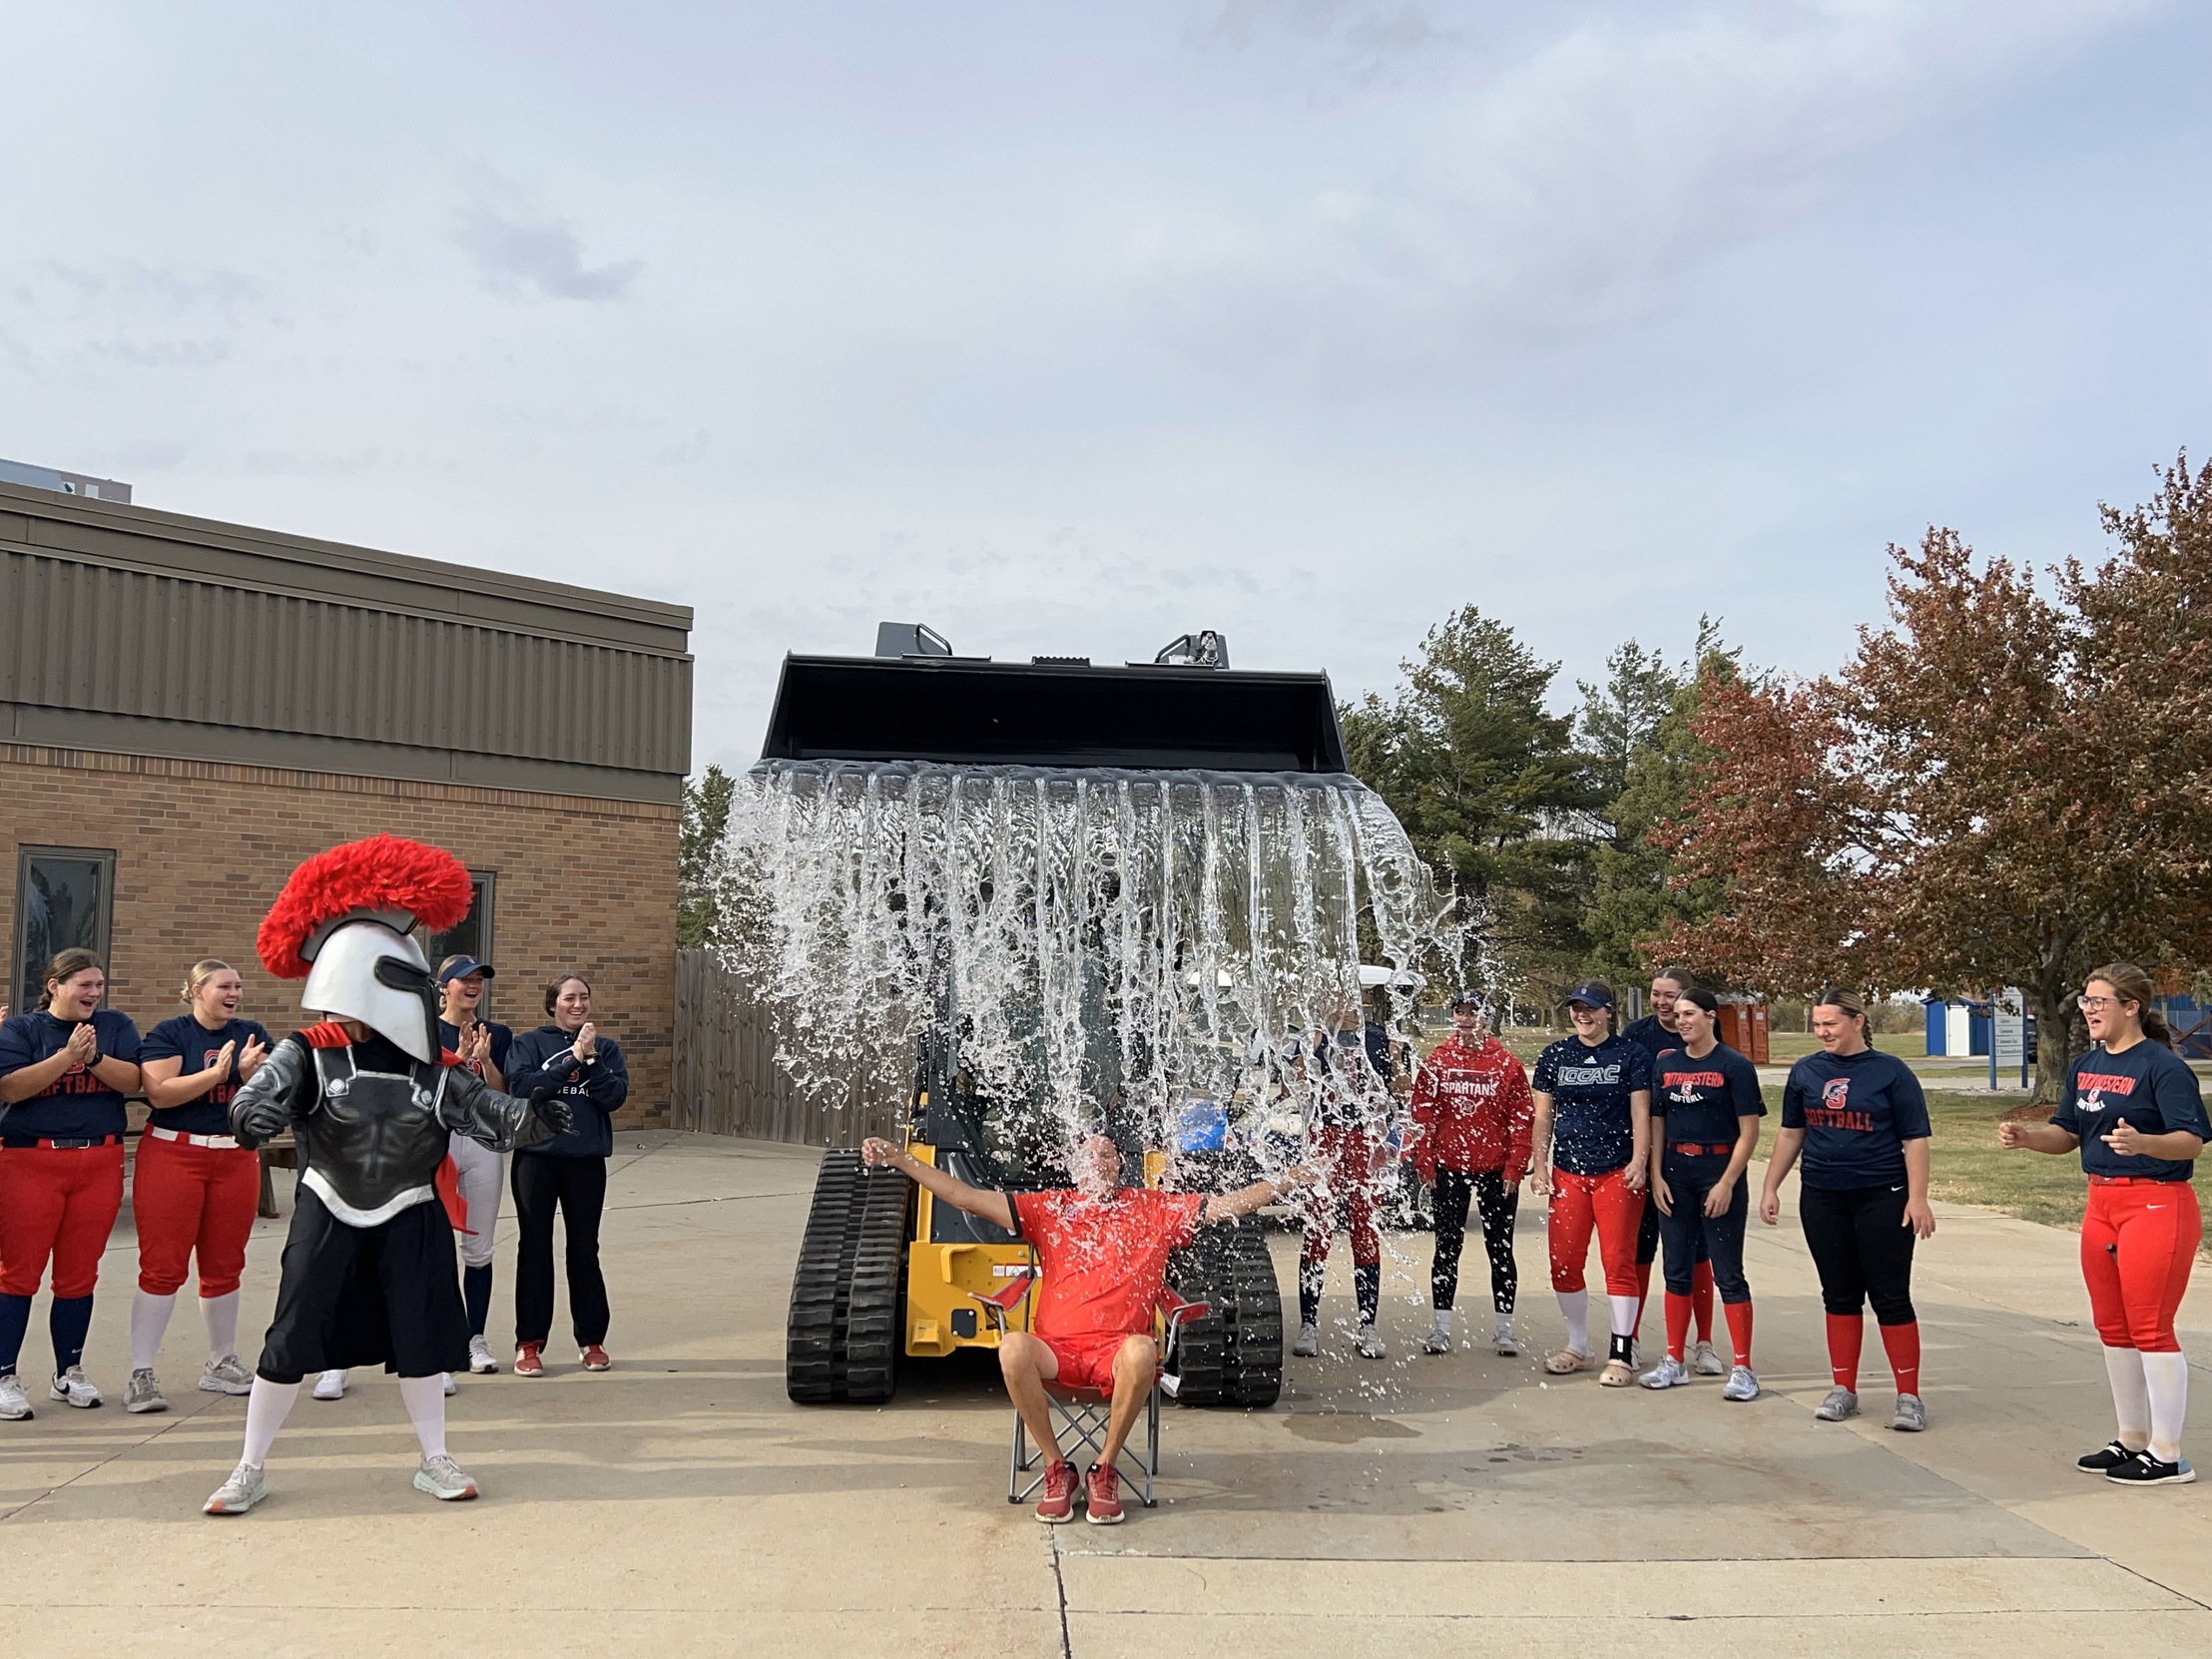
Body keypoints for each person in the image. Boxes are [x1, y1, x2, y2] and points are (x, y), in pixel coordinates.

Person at [202, 834, 571, 1515]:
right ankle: (248, 1466)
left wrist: (550, 1109)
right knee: (288, 1340)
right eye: (406, 983)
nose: (420, 994)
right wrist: (250, 1110)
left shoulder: (433, 1066)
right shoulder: (307, 1052)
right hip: (326, 1205)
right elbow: (253, 1109)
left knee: (423, 1338)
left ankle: (435, 1457)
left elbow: (499, 1119)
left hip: (411, 1208)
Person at [861, 1129, 1309, 1523]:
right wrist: (902, 1160)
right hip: (1057, 1352)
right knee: (1013, 1347)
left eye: (1107, 1155)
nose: (1098, 1162)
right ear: (1073, 1167)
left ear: (1120, 1166)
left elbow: (1228, 1206)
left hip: (1116, 1358)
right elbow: (963, 1197)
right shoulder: (1050, 1208)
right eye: (1089, 1156)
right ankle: (1058, 1469)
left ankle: (1105, 1468)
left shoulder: (1155, 1210)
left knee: (1141, 1349)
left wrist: (1289, 1181)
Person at [1999, 963, 2209, 1485]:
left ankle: (2168, 1454)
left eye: (2099, 1001)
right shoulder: (2085, 1065)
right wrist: (2029, 1138)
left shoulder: (2163, 1066)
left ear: (2130, 1007)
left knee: (2151, 1329)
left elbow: (2192, 1140)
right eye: (2086, 1002)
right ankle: (2132, 1439)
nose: (2089, 1010)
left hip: (2157, 1204)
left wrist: (2145, 1144)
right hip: (2102, 1206)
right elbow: (2067, 1133)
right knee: (2113, 1329)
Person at [1760, 986, 1935, 1432]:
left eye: (1831, 1024)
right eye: (1817, 1025)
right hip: (1823, 1196)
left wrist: (1917, 1198)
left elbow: (1915, 1139)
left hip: (1882, 1195)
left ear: (1857, 1021)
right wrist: (1771, 1186)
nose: (1822, 1032)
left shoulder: (1891, 1072)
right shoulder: (1805, 1071)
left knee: (1890, 1296)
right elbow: (1790, 1133)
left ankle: (1909, 1397)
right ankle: (1844, 1390)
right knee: (1838, 1295)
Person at [0, 950, 143, 1416]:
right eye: (84, 984)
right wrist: (67, 1057)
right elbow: (12, 1087)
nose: (94, 993)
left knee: (79, 1274)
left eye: (99, 984)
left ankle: (69, 1372)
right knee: (19, 1273)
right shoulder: (23, 1029)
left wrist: (94, 1055)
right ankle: (5, 1374)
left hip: (98, 1158)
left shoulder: (114, 1024)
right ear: (55, 985)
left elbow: (132, 1079)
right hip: (30, 1160)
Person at [129, 960, 274, 1413]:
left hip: (234, 1153)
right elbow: (161, 1092)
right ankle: (141, 1371)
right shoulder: (171, 1032)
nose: (235, 993)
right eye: (224, 986)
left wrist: (251, 1075)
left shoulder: (252, 1032)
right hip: (175, 1152)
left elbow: (267, 1092)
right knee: (163, 1264)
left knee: (225, 1262)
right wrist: (220, 1074)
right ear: (196, 990)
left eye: (238, 986)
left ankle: (221, 1361)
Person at [1639, 987, 1764, 1400]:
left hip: (1718, 1169)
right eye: (1676, 1014)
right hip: (1676, 1173)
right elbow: (1657, 1122)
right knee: (1675, 1268)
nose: (1681, 1020)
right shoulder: (1666, 1065)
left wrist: (1727, 1182)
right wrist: (1656, 1176)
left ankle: (1743, 1368)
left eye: (1690, 1013)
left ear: (1711, 1016)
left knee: (1727, 1271)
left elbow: (1749, 1131)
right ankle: (1674, 1359)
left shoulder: (1734, 1065)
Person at [505, 974, 630, 1378]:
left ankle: (592, 1340)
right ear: (553, 1003)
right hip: (536, 1159)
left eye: (584, 998)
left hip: (585, 1160)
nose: (578, 1004)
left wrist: (590, 1058)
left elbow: (613, 1097)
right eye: (570, 998)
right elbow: (525, 1087)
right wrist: (572, 1058)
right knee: (534, 1248)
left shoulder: (605, 1048)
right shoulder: (529, 1044)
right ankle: (529, 1343)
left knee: (583, 1249)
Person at [1529, 979, 1651, 1385]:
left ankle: (1621, 1352)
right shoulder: (1555, 1055)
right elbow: (1543, 1115)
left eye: (1592, 1008)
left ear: (1608, 1012)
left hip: (1616, 1171)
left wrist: (1640, 1159)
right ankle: (1577, 1345)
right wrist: (1540, 1165)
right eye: (1576, 1008)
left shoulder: (1631, 1054)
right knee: (1564, 1262)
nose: (1583, 1015)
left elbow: (1641, 1111)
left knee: (1618, 1260)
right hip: (1568, 1171)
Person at [1404, 989, 1530, 1357]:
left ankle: (1504, 1329)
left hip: (1495, 1171)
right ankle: (1440, 1328)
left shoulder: (1506, 1063)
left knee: (1500, 1249)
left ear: (1486, 1018)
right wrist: (1423, 1161)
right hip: (1449, 1169)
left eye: (1471, 1013)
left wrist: (1515, 1166)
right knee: (1446, 1248)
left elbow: (1521, 1119)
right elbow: (1422, 1115)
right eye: (1458, 1012)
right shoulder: (1438, 1061)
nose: (1464, 1019)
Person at [1619, 965, 1717, 1374]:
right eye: (1656, 994)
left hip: (1690, 1162)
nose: (1663, 1003)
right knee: (1640, 1250)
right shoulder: (1635, 1035)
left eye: (1670, 996)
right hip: (1644, 1157)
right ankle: (1633, 1337)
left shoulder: (1698, 1033)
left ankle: (1704, 1342)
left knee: (1696, 1255)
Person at [1292, 1002, 1397, 1360]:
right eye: (1337, 1002)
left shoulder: (1377, 1039)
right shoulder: (1316, 1037)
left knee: (1364, 1230)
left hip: (1363, 1137)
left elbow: (1393, 1088)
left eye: (1352, 1002)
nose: (1346, 1009)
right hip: (1326, 1135)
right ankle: (1309, 1323)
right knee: (1317, 1228)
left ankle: (1368, 1324)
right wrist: (1311, 1048)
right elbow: (1294, 1079)